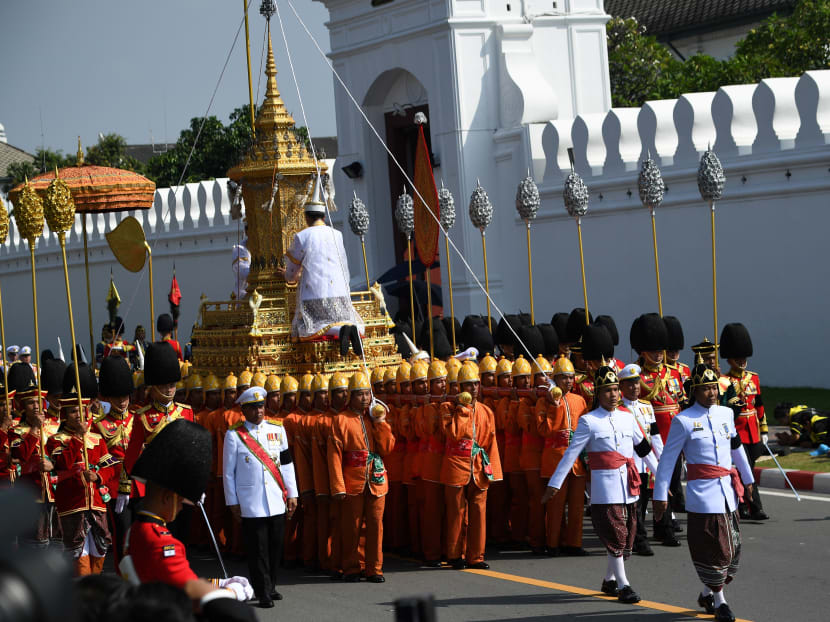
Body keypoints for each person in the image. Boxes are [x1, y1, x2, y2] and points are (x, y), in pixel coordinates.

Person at [542, 364, 658, 604]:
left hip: (629, 486)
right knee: (616, 534)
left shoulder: (628, 417)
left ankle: (609, 579)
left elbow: (644, 449)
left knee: (627, 537)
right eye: (608, 390)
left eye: (616, 389)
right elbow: (571, 454)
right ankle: (624, 585)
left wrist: (662, 478)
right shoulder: (588, 421)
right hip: (605, 489)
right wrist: (555, 483)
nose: (614, 394)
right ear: (598, 393)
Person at [653, 363, 755, 622]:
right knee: (715, 551)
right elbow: (667, 460)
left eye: (713, 387)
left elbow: (736, 446)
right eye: (705, 389)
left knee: (733, 552)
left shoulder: (725, 414)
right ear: (694, 392)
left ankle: (706, 592)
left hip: (728, 494)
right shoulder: (684, 420)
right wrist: (660, 495)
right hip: (703, 496)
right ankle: (719, 601)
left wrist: (748, 478)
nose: (711, 393)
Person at [119, 419, 255, 611]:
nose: (182, 508)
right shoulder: (161, 542)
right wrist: (232, 593)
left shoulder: (137, 530)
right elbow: (190, 593)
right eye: (181, 501)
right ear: (168, 497)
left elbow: (174, 579)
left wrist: (219, 583)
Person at [223, 387, 298, 608]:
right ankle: (261, 590)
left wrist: (292, 493)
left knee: (275, 546)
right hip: (251, 501)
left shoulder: (278, 429)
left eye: (261, 406)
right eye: (253, 408)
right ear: (243, 410)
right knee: (258, 550)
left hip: (275, 498)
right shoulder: (234, 435)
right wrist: (232, 501)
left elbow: (286, 463)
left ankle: (271, 585)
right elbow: (228, 472)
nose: (259, 411)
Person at [278, 175, 364, 356]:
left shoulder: (303, 236)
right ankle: (350, 328)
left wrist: (286, 275)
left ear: (306, 217)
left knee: (308, 328)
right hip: (340, 294)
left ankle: (341, 332)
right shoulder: (337, 234)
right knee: (342, 319)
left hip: (314, 297)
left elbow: (292, 275)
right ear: (324, 216)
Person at [117, 342, 194, 539]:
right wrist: (126, 488)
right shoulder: (142, 416)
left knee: (181, 538)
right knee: (157, 537)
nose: (169, 390)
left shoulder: (186, 412)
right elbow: (132, 455)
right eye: (163, 385)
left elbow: (193, 451)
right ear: (154, 386)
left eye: (171, 385)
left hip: (181, 485)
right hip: (154, 487)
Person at [328, 372, 394, 582]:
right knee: (352, 526)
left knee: (376, 525)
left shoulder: (374, 417)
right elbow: (334, 456)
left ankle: (374, 568)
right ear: (351, 396)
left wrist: (381, 422)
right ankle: (351, 567)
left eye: (367, 394)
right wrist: (338, 486)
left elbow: (387, 447)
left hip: (376, 478)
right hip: (352, 480)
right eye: (360, 394)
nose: (364, 398)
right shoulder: (340, 420)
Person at [46, 378, 115, 576]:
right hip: (72, 506)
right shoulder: (55, 440)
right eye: (73, 411)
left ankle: (94, 593)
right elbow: (62, 464)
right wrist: (77, 438)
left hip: (97, 503)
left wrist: (99, 476)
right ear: (65, 415)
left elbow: (111, 468)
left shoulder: (98, 439)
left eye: (81, 410)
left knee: (100, 549)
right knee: (78, 553)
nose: (78, 415)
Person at [440, 361, 502, 569]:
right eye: (468, 385)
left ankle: (476, 556)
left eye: (475, 384)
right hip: (456, 466)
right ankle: (455, 554)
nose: (473, 389)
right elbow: (454, 434)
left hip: (478, 467)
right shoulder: (448, 408)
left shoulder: (487, 411)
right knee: (456, 513)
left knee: (478, 512)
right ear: (459, 388)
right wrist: (463, 410)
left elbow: (491, 443)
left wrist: (493, 471)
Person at [537, 356, 589, 556]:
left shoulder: (580, 400)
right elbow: (543, 430)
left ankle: (574, 543)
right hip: (555, 459)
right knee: (556, 505)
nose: (568, 381)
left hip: (577, 461)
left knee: (577, 506)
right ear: (555, 380)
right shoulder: (544, 402)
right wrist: (553, 406)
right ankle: (553, 543)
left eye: (571, 377)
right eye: (564, 378)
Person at [718, 323, 769, 521]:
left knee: (746, 469)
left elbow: (760, 405)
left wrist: (764, 429)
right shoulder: (724, 380)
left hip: (753, 431)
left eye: (743, 357)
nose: (742, 361)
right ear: (729, 359)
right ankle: (754, 507)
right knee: (744, 468)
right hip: (737, 430)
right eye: (737, 358)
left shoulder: (753, 378)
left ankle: (741, 503)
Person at [618, 364, 663, 556]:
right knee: (633, 505)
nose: (635, 387)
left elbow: (656, 435)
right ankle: (639, 540)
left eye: (637, 383)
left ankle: (634, 535)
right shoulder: (619, 409)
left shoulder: (646, 407)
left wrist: (662, 461)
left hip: (646, 464)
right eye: (630, 384)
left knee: (643, 503)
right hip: (630, 464)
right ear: (622, 387)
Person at [95, 356, 136, 564]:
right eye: (116, 397)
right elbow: (100, 461)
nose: (122, 402)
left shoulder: (138, 419)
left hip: (140, 486)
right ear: (108, 397)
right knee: (123, 538)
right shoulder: (100, 425)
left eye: (124, 396)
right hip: (116, 488)